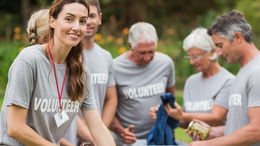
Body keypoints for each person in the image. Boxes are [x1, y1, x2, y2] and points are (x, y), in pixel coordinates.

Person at [0, 0, 115, 145]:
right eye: (69, 19)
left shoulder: (81, 71)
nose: (76, 27)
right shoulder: (29, 60)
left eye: (82, 21)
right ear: (52, 21)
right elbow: (15, 128)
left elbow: (98, 129)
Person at [188, 10, 260, 146]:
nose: (219, 53)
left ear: (238, 37)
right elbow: (241, 126)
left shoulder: (257, 72)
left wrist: (209, 144)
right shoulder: (244, 70)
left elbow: (257, 130)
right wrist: (214, 132)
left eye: (220, 46)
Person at [149, 28, 235, 129]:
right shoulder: (191, 81)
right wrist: (166, 115)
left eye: (195, 56)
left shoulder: (228, 81)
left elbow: (216, 118)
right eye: (189, 57)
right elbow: (186, 123)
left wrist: (182, 115)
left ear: (212, 52)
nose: (191, 62)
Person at [109, 22, 176, 146]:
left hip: (160, 138)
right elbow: (106, 108)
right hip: (127, 141)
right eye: (141, 53)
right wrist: (121, 131)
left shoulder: (166, 63)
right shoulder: (114, 67)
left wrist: (164, 111)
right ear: (130, 45)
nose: (147, 58)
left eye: (151, 52)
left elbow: (171, 100)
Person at [64, 0, 118, 145]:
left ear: (100, 18)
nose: (87, 22)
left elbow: (111, 99)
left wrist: (99, 133)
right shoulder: (65, 55)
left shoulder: (106, 57)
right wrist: (89, 135)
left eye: (92, 16)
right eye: (83, 19)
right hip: (66, 136)